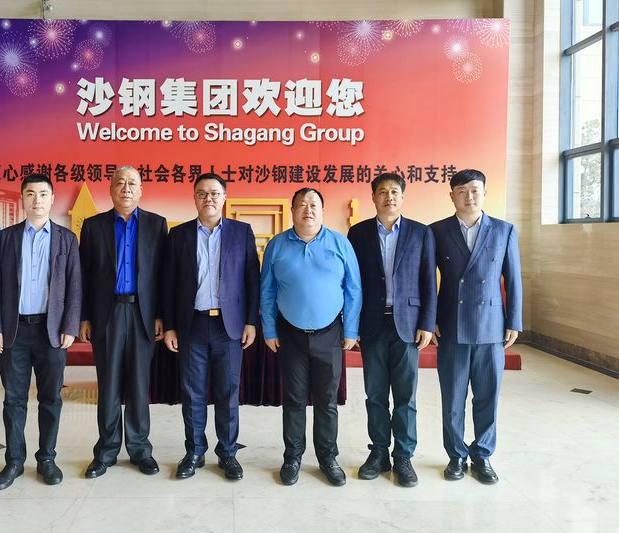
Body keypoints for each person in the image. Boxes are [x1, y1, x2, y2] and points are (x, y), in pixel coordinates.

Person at [0, 173, 82, 490]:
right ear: (22, 199)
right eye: (30, 194)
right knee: (14, 400)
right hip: (14, 331)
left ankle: (46, 459)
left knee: (51, 398)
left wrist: (70, 326)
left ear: (52, 199)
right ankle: (14, 461)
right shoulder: (5, 238)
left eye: (42, 194)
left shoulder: (67, 239)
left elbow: (75, 287)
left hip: (51, 332)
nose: (36, 200)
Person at [260, 187, 362, 487]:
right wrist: (269, 329)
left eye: (314, 204)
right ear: (292, 211)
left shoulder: (340, 243)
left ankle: (328, 458)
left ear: (322, 210)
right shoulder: (277, 245)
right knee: (293, 399)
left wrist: (351, 330)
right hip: (289, 335)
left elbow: (353, 289)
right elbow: (267, 291)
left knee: (326, 400)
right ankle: (292, 457)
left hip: (330, 334)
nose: (308, 210)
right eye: (302, 205)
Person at [162, 173, 260, 480]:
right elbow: (168, 284)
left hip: (229, 327)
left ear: (224, 197)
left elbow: (252, 279)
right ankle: (194, 451)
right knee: (192, 392)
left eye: (215, 193)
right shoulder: (178, 235)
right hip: (192, 325)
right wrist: (170, 326)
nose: (209, 198)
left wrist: (251, 321)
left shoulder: (242, 232)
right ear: (194, 198)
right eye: (202, 193)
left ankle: (228, 453)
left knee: (228, 392)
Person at [431, 168, 522, 485]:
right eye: (462, 190)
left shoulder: (504, 230)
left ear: (485, 193)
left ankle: (482, 455)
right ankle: (456, 455)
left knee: (487, 396)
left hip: (491, 326)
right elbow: (427, 280)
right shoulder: (437, 231)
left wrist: (514, 320)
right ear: (451, 195)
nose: (469, 196)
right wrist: (430, 320)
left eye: (474, 190)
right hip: (451, 325)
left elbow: (513, 278)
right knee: (452, 399)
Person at [347, 173, 437, 487]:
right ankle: (379, 452)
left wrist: (427, 323)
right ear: (373, 197)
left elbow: (429, 280)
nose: (389, 197)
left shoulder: (421, 232)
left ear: (403, 196)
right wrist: (352, 324)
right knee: (374, 394)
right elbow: (352, 283)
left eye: (395, 191)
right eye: (383, 192)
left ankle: (404, 456)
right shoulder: (358, 233)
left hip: (408, 325)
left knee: (405, 396)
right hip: (372, 324)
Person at [79, 166, 168, 478]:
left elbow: (163, 275)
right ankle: (106, 451)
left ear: (141, 190)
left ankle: (140, 449)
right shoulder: (93, 226)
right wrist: (85, 317)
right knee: (109, 385)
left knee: (139, 385)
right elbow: (84, 276)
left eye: (132, 183)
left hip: (143, 314)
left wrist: (161, 315)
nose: (126, 188)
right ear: (111, 189)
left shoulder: (157, 225)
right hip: (107, 314)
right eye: (120, 183)